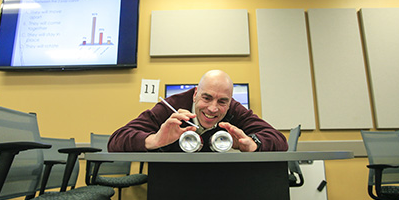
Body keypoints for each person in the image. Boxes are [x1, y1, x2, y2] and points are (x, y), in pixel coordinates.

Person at [108, 70, 288, 152]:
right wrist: (154, 140)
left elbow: (279, 140)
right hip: (173, 186)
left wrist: (252, 144)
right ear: (195, 94)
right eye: (206, 98)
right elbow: (116, 140)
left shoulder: (234, 109)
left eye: (222, 101)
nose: (213, 108)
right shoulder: (171, 107)